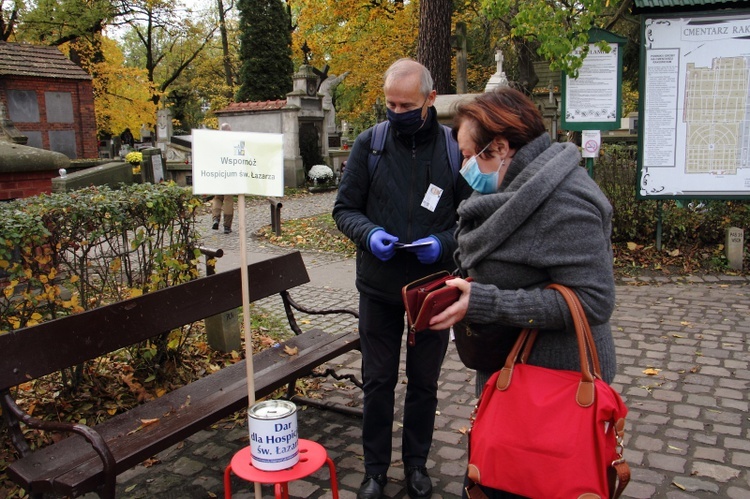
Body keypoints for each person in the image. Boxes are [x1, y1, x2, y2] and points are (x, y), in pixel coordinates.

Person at [427, 87, 618, 498]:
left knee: (530, 483)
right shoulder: (507, 187)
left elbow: (594, 301)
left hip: (555, 386)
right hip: (510, 367)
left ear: (499, 147)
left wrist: (486, 301)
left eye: (467, 154)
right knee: (498, 472)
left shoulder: (566, 200)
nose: (463, 165)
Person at [333, 58, 473, 499]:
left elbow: (471, 220)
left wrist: (444, 244)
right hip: (378, 288)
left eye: (406, 105)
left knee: (425, 383)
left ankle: (416, 464)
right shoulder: (368, 144)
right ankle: (375, 469)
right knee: (377, 382)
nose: (396, 113)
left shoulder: (454, 148)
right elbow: (344, 209)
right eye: (390, 104)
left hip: (432, 291)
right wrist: (369, 233)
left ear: (431, 99)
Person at [212, 123, 235, 233]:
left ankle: (215, 219)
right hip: (229, 175)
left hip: (218, 174)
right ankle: (227, 226)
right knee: (228, 199)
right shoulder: (232, 143)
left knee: (217, 198)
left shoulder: (216, 142)